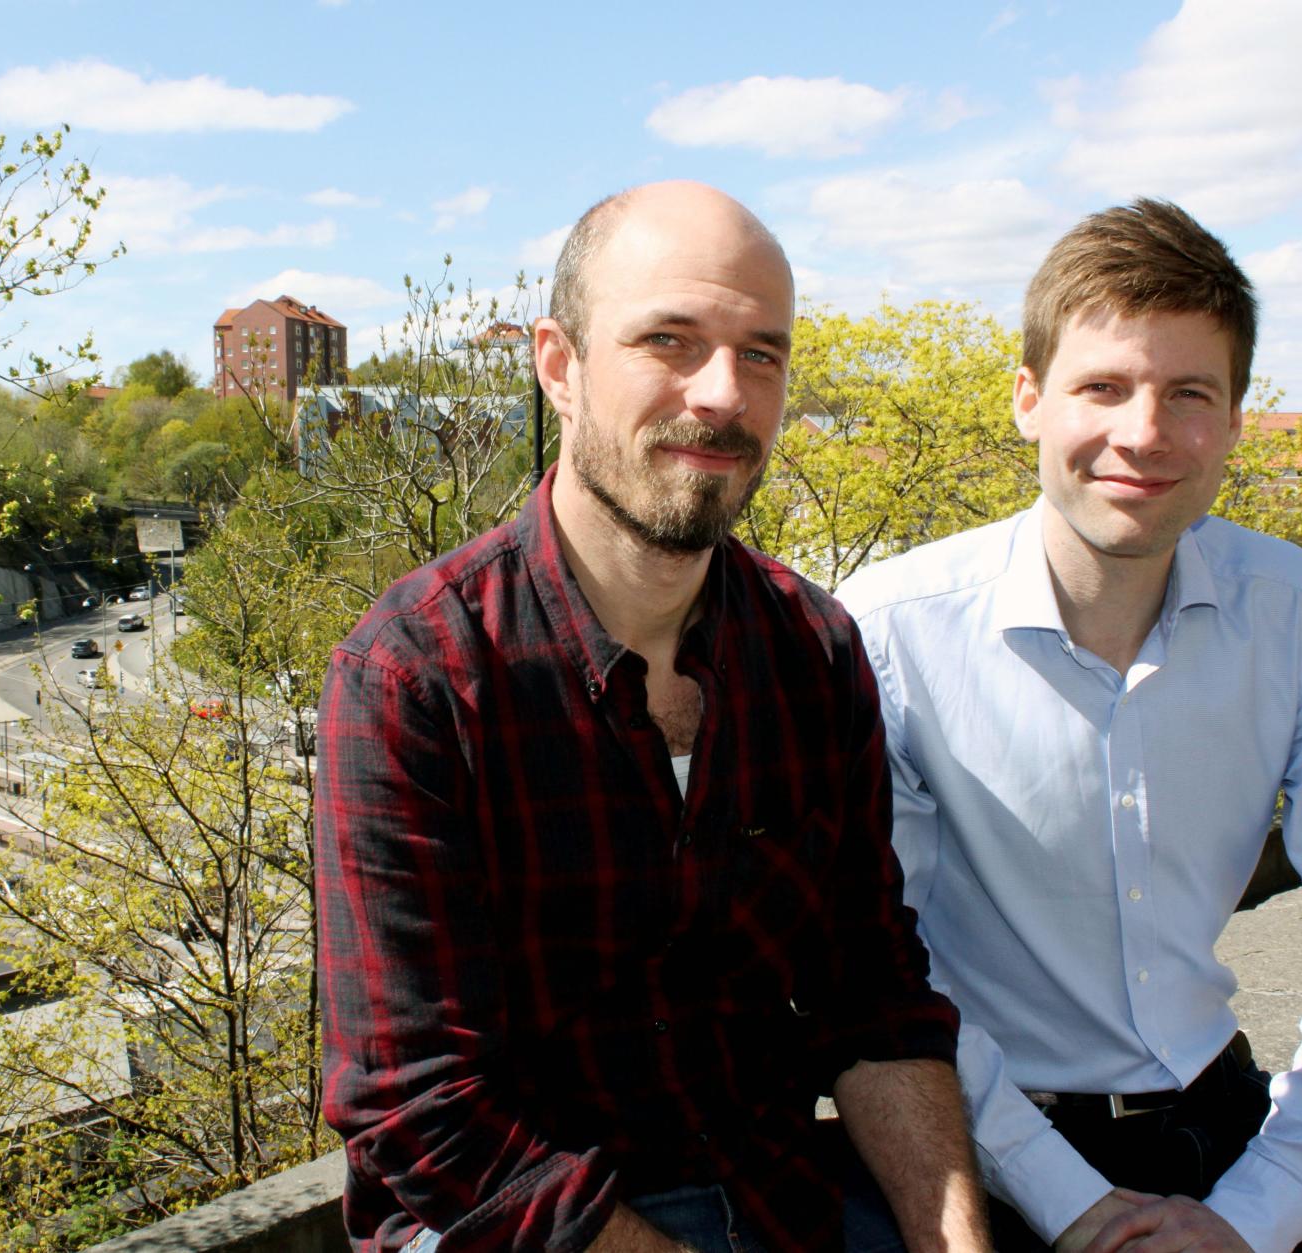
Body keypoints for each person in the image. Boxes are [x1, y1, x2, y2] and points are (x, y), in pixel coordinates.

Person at [315, 180, 990, 1253]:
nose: (722, 392)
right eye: (669, 340)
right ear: (560, 365)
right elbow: (418, 1108)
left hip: (777, 1197)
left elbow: (873, 992)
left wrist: (954, 1241)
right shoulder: (419, 677)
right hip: (516, 1226)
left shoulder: (811, 650)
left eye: (760, 352)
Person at [837, 198, 1302, 1253]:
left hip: (1230, 1132)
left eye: (1189, 393)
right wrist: (1072, 1203)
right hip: (972, 1147)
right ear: (1028, 400)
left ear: (1231, 417)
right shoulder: (892, 632)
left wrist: (1254, 1214)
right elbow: (881, 967)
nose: (1143, 432)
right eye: (1103, 387)